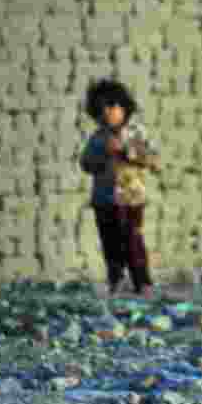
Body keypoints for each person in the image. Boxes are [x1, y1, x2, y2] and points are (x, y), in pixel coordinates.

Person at [79, 78, 160, 297]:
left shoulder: (137, 132)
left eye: (112, 107)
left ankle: (142, 283)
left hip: (131, 198)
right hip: (103, 200)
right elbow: (86, 164)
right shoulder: (97, 138)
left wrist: (126, 151)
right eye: (102, 109)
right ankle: (116, 281)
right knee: (110, 243)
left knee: (133, 240)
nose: (108, 113)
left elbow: (153, 161)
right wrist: (102, 154)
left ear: (123, 107)